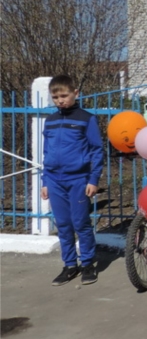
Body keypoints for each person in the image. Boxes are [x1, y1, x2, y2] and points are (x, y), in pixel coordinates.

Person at [42, 74, 104, 286]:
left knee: (81, 223)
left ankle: (87, 264)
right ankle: (69, 265)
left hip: (79, 180)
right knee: (63, 225)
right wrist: (44, 181)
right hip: (55, 181)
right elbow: (46, 152)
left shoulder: (86, 119)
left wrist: (93, 179)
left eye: (64, 95)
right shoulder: (50, 121)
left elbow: (97, 150)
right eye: (55, 96)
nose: (60, 100)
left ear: (75, 93)